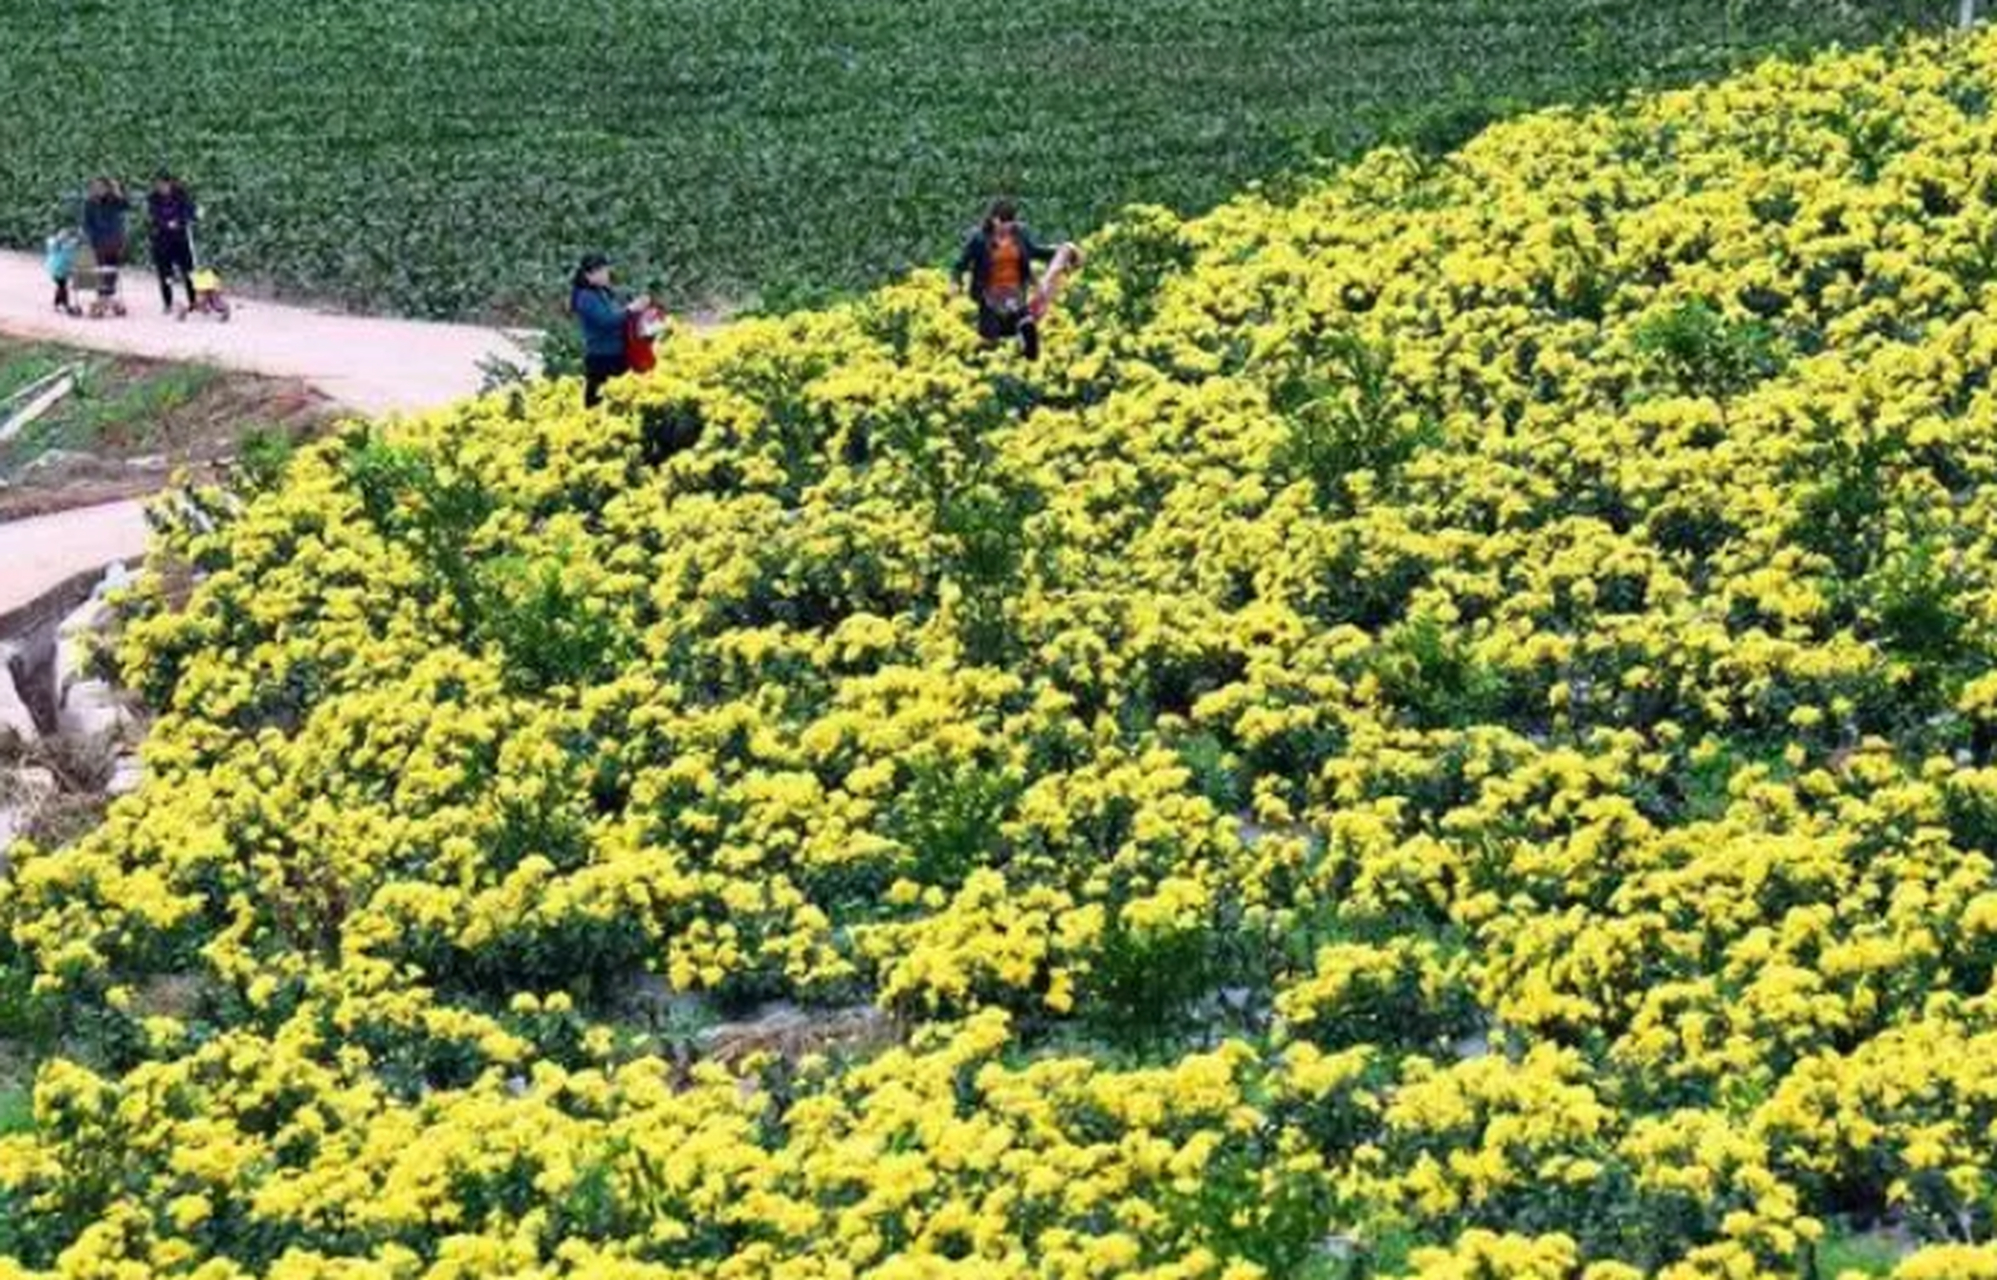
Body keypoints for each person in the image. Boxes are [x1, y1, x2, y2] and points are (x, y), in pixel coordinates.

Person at [951, 199, 1071, 361]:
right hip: (989, 291)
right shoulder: (979, 238)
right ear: (994, 219)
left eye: (1011, 221)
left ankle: (1025, 348)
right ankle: (1004, 346)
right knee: (991, 334)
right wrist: (955, 282)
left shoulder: (1020, 233)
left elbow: (1033, 251)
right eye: (1004, 221)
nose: (1008, 226)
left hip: (1014, 290)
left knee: (1022, 322)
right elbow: (960, 264)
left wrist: (1060, 251)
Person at [570, 253, 651, 407]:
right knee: (596, 406)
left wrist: (636, 308)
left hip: (617, 355)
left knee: (619, 403)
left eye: (607, 270)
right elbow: (607, 321)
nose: (607, 274)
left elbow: (617, 314)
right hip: (602, 359)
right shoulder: (585, 297)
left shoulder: (602, 291)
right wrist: (630, 309)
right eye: (603, 271)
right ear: (589, 275)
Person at [147, 170, 199, 315]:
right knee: (165, 273)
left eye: (162, 183)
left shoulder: (181, 194)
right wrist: (166, 224)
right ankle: (168, 303)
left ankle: (193, 301)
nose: (159, 187)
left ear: (169, 183)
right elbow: (154, 215)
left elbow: (189, 210)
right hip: (161, 239)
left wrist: (182, 221)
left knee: (188, 271)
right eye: (156, 184)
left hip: (180, 238)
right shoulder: (153, 198)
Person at [81, 177, 131, 317]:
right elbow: (86, 222)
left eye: (101, 187)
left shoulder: (113, 200)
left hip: (115, 239)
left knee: (112, 268)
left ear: (107, 188)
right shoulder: (90, 203)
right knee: (101, 269)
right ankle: (103, 296)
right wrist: (90, 236)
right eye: (95, 187)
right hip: (98, 240)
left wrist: (117, 190)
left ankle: (107, 296)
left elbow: (126, 205)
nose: (98, 189)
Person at [45, 227, 82, 316]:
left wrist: (80, 233)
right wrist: (59, 239)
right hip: (55, 270)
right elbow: (52, 243)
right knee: (62, 287)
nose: (64, 237)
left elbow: (77, 241)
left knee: (61, 287)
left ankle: (57, 304)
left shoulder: (69, 244)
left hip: (65, 271)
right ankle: (65, 305)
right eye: (62, 235)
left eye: (66, 235)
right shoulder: (53, 243)